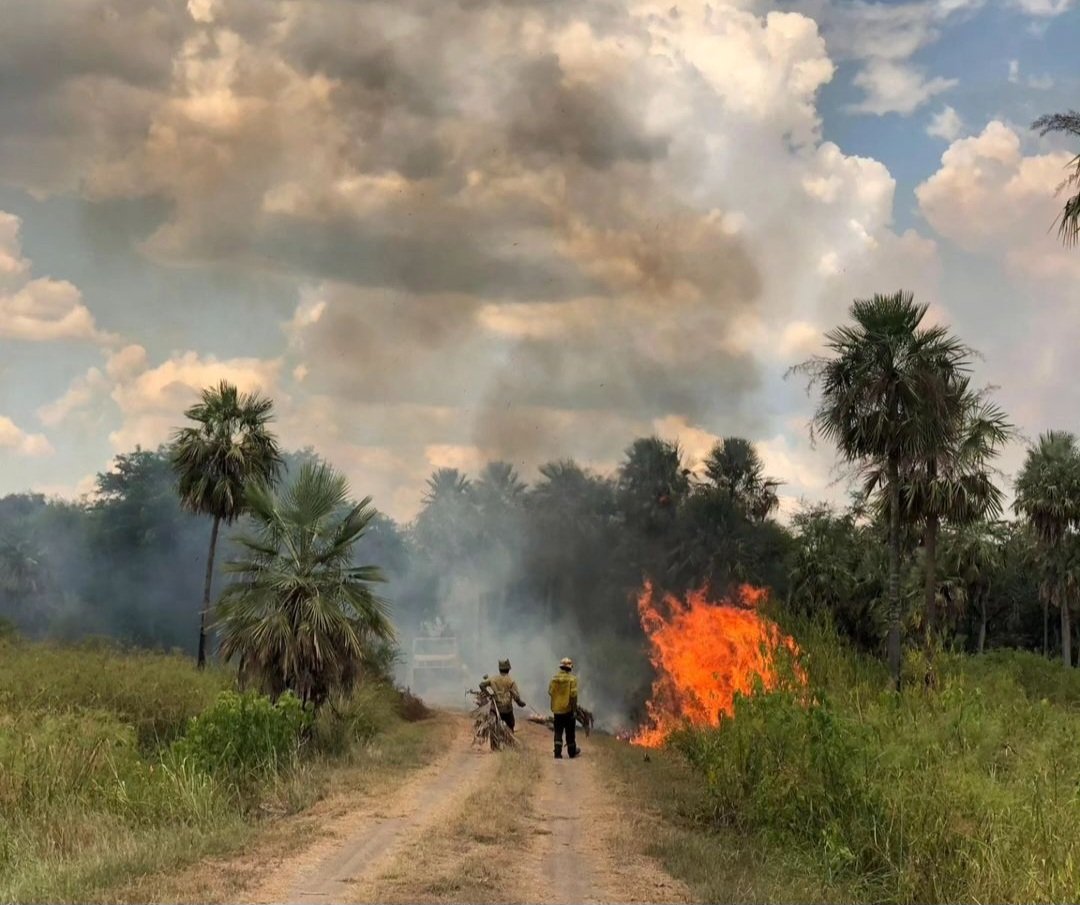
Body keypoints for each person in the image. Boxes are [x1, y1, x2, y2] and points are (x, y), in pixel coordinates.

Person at [479, 658, 526, 731]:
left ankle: (495, 741)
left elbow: (481, 685)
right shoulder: (511, 681)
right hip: (507, 710)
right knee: (511, 726)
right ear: (508, 669)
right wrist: (520, 703)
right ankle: (510, 739)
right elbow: (516, 696)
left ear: (499, 669)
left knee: (493, 729)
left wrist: (488, 695)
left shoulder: (493, 679)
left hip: (496, 709)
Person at [548, 657, 579, 759]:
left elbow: (550, 692)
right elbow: (573, 696)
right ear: (570, 668)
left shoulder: (554, 679)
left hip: (557, 710)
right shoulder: (572, 679)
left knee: (558, 731)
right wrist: (574, 710)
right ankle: (572, 752)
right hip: (568, 710)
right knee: (570, 732)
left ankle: (557, 753)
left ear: (561, 667)